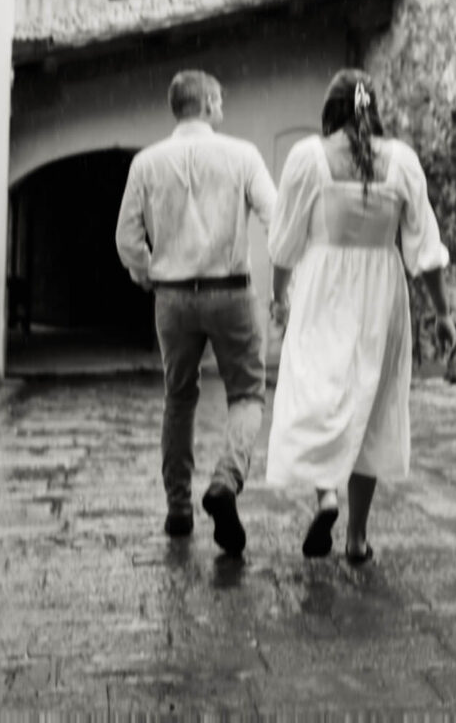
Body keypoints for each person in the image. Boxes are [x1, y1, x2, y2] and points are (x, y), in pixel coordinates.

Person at [266, 68, 456, 564]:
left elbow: (285, 244)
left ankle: (326, 493)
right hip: (382, 291)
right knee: (369, 402)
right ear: (374, 109)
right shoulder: (403, 161)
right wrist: (441, 313)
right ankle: (356, 537)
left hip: (322, 286)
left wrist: (279, 296)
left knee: (320, 391)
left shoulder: (308, 157)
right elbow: (425, 248)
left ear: (330, 111)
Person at [115, 70, 276, 557]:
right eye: (220, 101)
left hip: (173, 297)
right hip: (230, 293)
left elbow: (126, 237)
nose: (222, 109)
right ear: (205, 102)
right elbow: (277, 217)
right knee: (247, 394)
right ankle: (226, 480)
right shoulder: (242, 155)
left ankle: (179, 509)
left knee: (179, 397)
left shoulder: (146, 162)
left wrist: (148, 273)